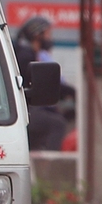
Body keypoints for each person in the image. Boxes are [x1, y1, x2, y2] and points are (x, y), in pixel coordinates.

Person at [15, 16, 69, 149]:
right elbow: (42, 83)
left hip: (29, 109)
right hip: (23, 111)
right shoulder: (26, 56)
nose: (50, 38)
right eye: (48, 34)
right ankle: (49, 165)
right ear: (37, 35)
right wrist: (71, 92)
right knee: (58, 124)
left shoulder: (31, 54)